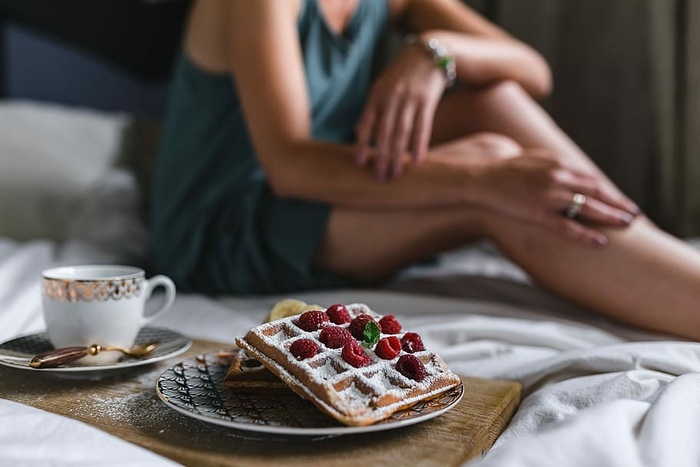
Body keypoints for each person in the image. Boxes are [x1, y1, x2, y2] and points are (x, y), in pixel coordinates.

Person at [152, 0, 700, 340]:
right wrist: (487, 179)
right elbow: (292, 166)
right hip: (229, 228)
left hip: (336, 181)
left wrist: (434, 53)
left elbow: (533, 70)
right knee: (495, 174)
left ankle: (653, 258)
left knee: (496, 103)